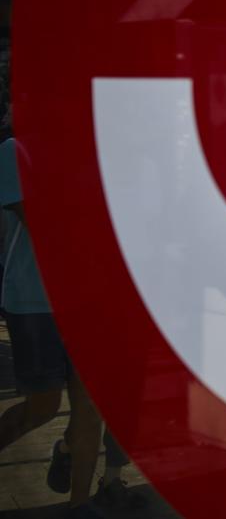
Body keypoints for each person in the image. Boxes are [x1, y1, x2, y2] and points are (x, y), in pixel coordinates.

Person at [0, 138, 107, 517]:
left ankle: (80, 503)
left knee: (90, 407)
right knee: (44, 407)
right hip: (35, 302)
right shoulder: (16, 151)